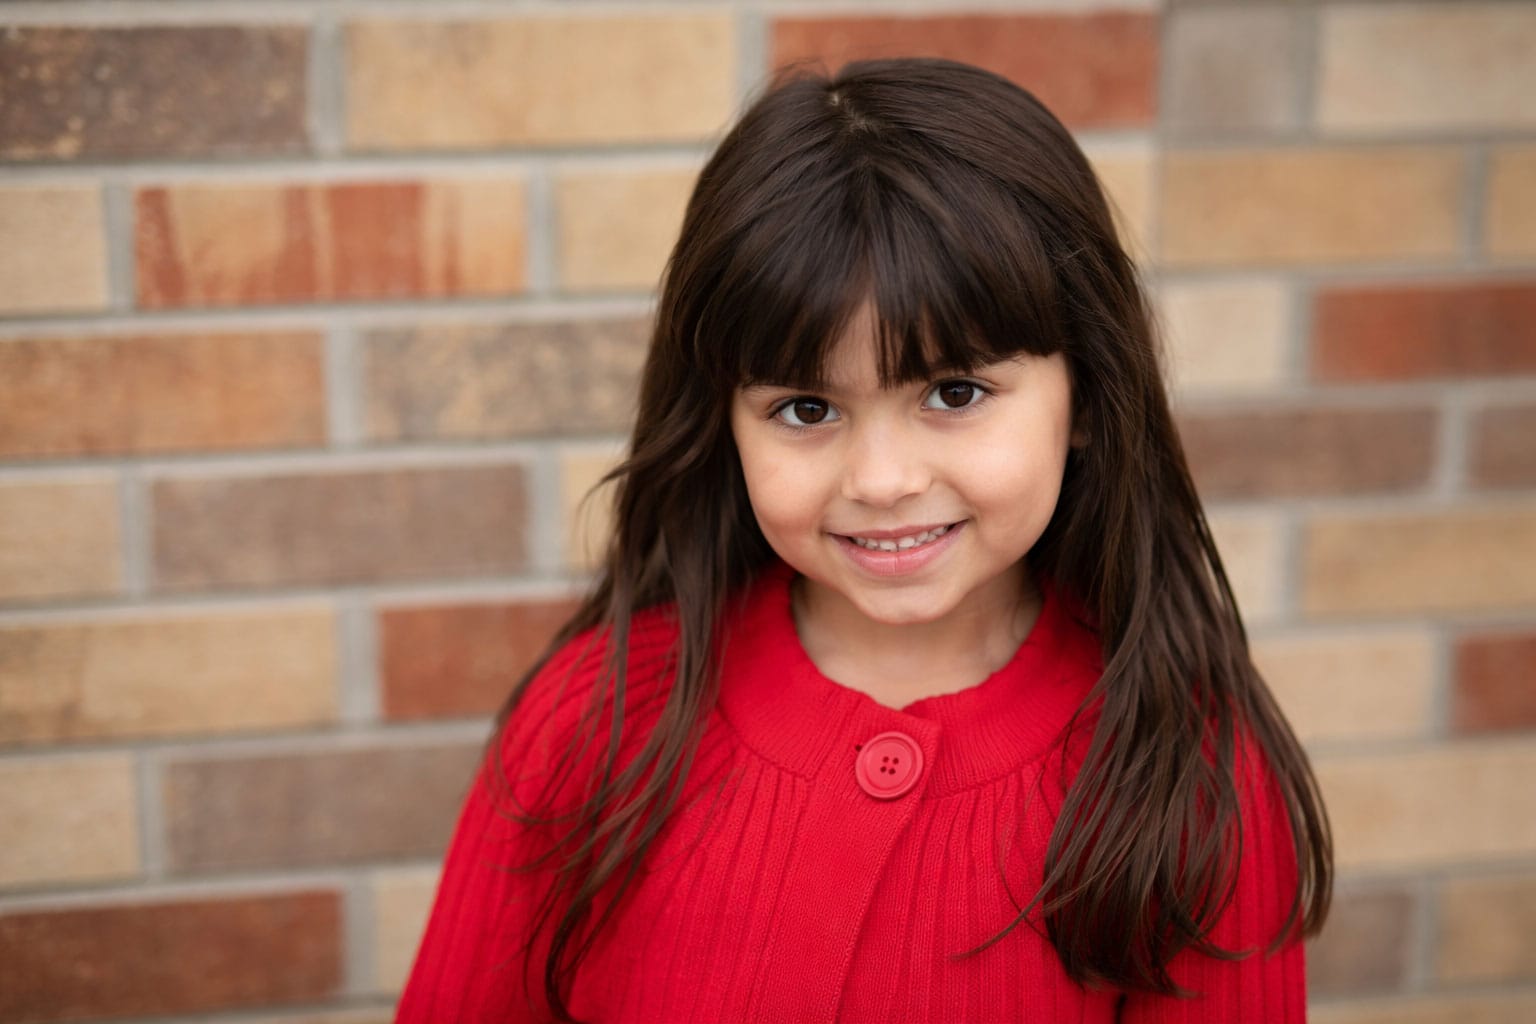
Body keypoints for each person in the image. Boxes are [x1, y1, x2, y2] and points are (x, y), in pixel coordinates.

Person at [396, 57, 1332, 1023]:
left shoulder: (1191, 773)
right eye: (807, 408)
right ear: (725, 422)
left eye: (955, 393)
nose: (882, 482)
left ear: (1088, 395)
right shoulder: (591, 720)